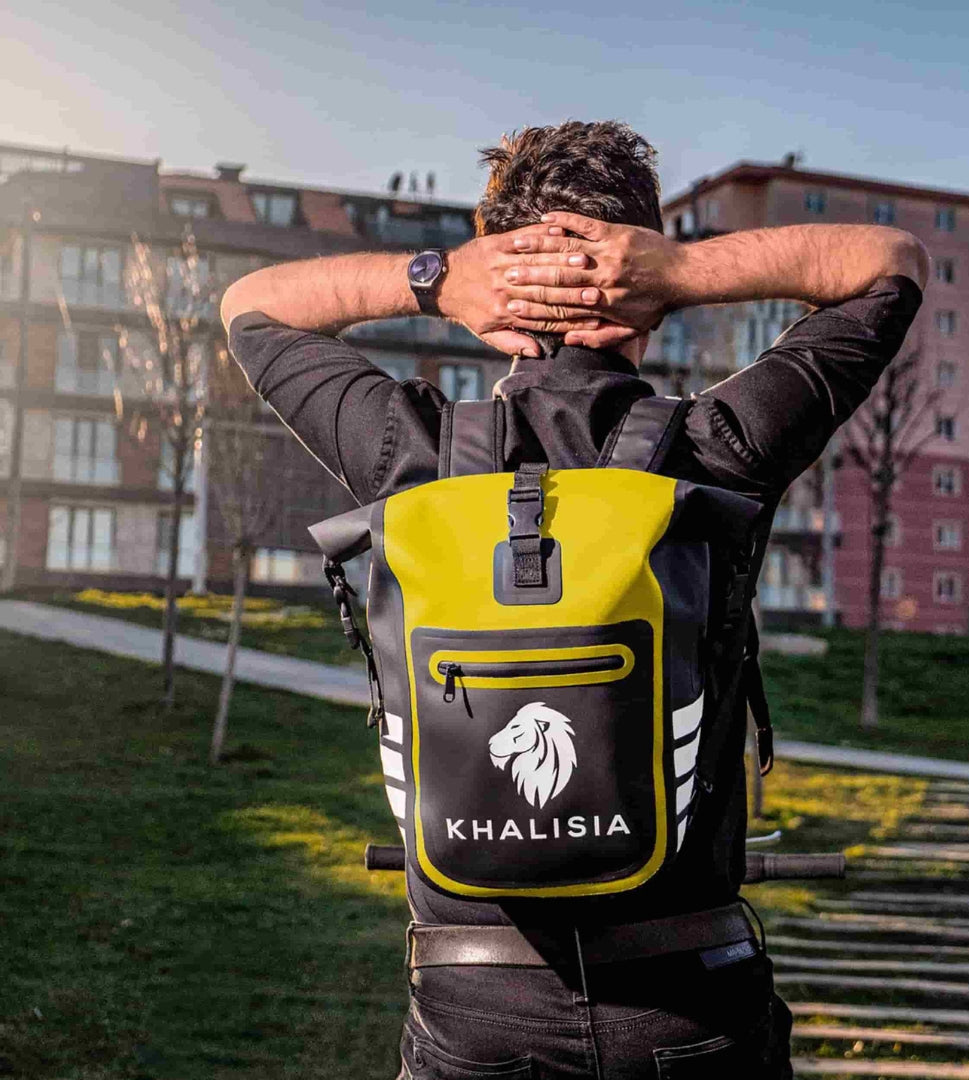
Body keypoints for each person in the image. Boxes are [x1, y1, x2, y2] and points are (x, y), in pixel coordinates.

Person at [222, 120, 928, 1080]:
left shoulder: (410, 455)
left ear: (493, 268)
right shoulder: (713, 450)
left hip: (473, 1004)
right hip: (690, 1001)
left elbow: (251, 306)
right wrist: (685, 272)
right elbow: (891, 262)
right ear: (642, 287)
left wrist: (435, 279)